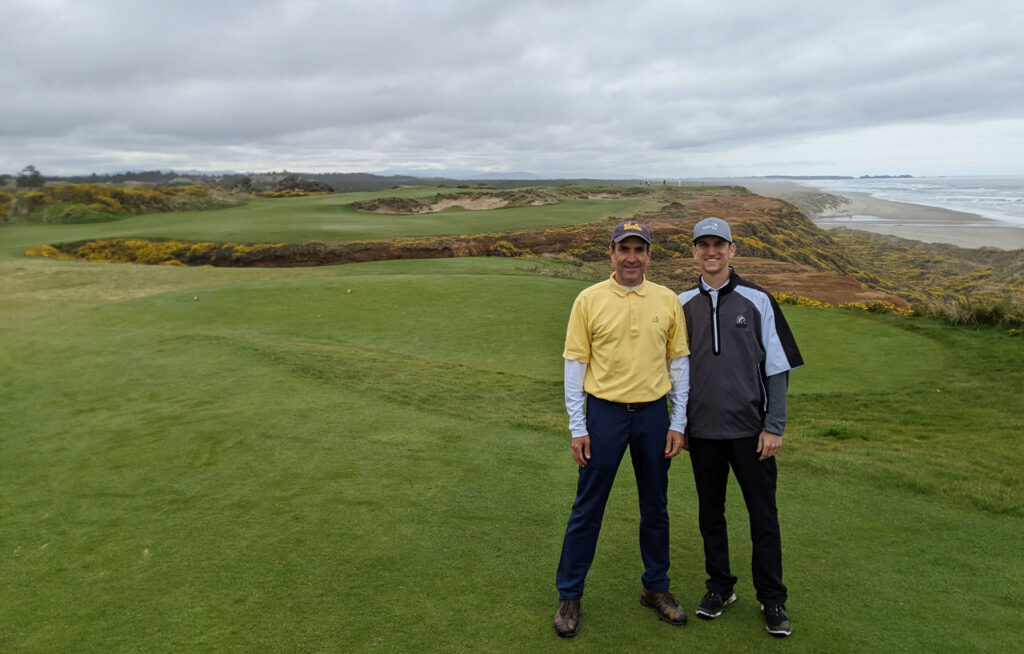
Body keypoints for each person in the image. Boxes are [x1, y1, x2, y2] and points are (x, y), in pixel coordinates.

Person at [553, 220, 691, 638]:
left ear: (649, 255)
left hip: (653, 415)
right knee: (588, 507)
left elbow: (679, 365)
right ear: (611, 254)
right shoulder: (589, 299)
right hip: (604, 415)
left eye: (640, 250)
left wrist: (678, 421)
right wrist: (578, 427)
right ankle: (570, 594)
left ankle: (656, 588)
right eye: (624, 249)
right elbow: (574, 367)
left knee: (656, 506)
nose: (632, 258)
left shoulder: (667, 300)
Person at [677, 217, 803, 637]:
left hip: (752, 431)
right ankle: (720, 587)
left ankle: (772, 599)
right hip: (703, 432)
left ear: (733, 250)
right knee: (710, 515)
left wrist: (775, 425)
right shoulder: (679, 304)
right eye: (703, 245)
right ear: (693, 252)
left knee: (763, 516)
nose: (711, 251)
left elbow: (778, 368)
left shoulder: (758, 300)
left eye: (719, 244)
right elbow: (674, 373)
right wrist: (679, 426)